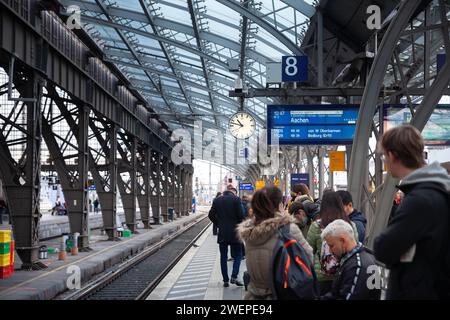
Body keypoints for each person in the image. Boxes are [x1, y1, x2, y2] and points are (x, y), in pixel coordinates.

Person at [374, 125, 450, 299]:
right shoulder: (438, 190)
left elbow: (383, 248)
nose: (385, 161)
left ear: (392, 155)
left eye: (384, 156)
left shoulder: (421, 200)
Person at [237, 186, 313, 300]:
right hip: (282, 294)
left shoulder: (249, 232)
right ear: (279, 205)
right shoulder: (288, 229)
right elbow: (309, 257)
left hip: (254, 294)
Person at [306, 191, 359, 296]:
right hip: (344, 272)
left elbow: (308, 250)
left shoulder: (317, 226)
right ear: (340, 205)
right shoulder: (350, 225)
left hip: (321, 276)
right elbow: (354, 247)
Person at [321, 219, 381, 300]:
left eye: (331, 246)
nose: (331, 251)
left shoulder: (357, 266)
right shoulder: (359, 259)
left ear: (342, 241)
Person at [208, 185, 245, 287]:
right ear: (233, 192)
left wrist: (219, 223)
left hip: (223, 233)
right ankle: (234, 276)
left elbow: (210, 215)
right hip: (235, 232)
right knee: (238, 254)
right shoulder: (236, 200)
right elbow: (241, 216)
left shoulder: (217, 200)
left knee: (223, 257)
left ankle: (225, 280)